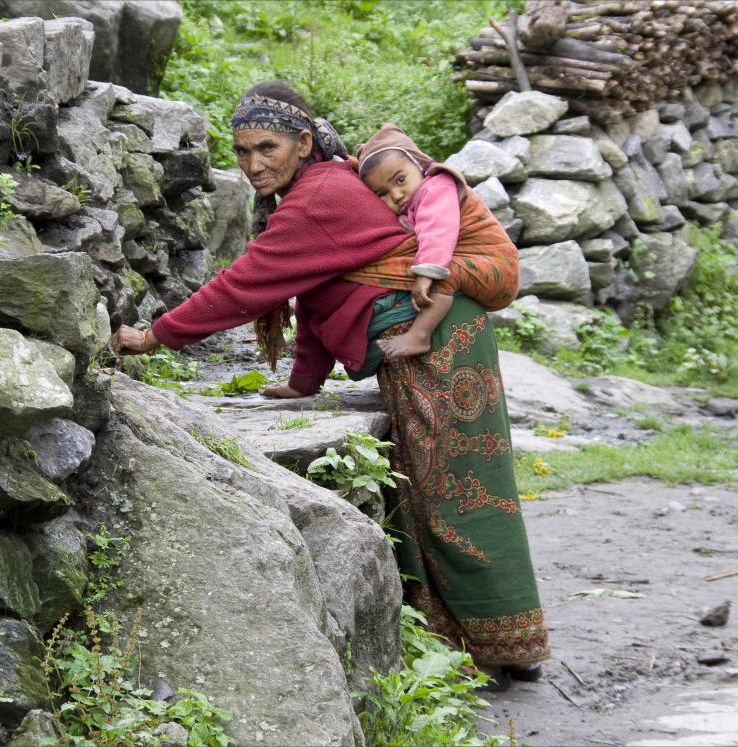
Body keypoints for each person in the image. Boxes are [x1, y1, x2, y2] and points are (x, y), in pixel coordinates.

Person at [111, 81, 549, 688]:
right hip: (440, 337)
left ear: (304, 143)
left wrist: (153, 337)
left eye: (267, 147)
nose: (253, 163)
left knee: (457, 492)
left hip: (437, 344)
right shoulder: (318, 189)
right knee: (437, 488)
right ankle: (483, 645)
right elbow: (318, 293)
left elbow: (247, 285)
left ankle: (502, 645)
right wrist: (303, 381)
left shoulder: (319, 197)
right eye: (240, 151)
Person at [352, 122, 520, 360]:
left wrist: (426, 273)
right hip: (480, 266)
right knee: (444, 271)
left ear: (420, 166)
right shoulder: (411, 202)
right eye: (382, 193)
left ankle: (420, 335)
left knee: (444, 274)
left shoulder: (437, 187)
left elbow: (437, 231)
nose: (396, 195)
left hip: (499, 267)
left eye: (400, 180)